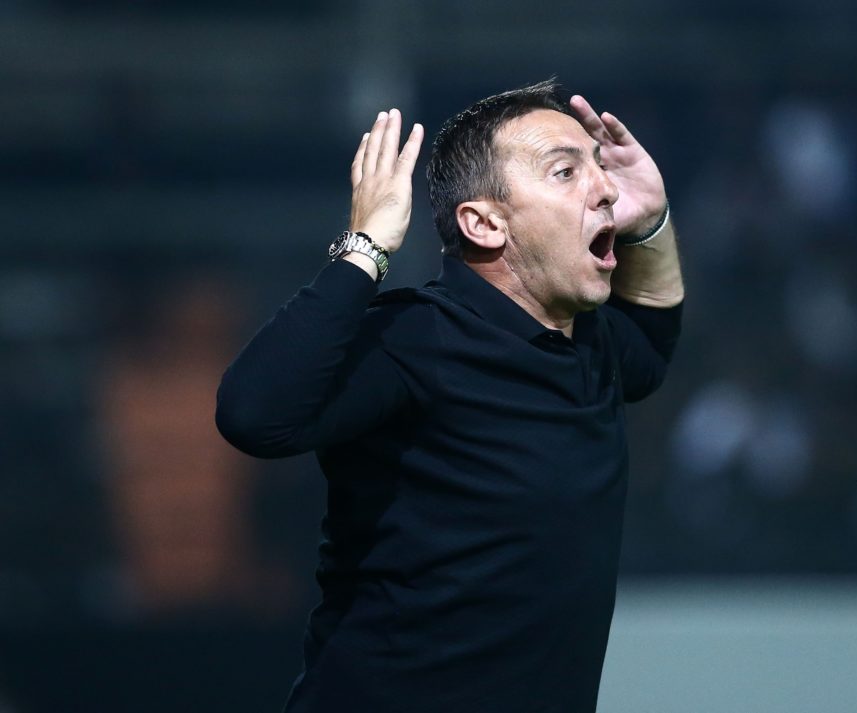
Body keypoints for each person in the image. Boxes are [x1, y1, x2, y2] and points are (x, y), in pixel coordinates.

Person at [216, 80, 684, 713]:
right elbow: (252, 415)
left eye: (598, 167)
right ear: (484, 223)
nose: (604, 188)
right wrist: (367, 246)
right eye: (565, 171)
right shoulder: (415, 336)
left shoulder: (587, 339)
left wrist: (650, 222)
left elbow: (649, 350)